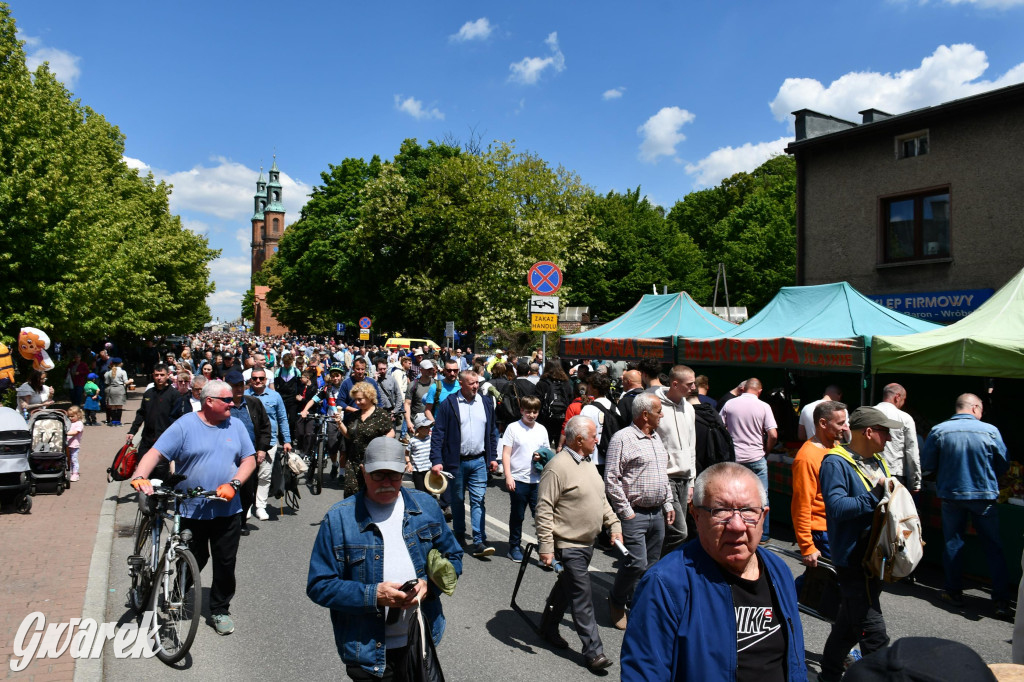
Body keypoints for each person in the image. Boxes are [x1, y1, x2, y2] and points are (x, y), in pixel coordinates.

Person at [620, 462, 807, 682]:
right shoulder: (665, 585)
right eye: (721, 511)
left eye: (748, 510)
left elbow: (794, 661)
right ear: (696, 516)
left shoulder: (779, 570)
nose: (737, 525)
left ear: (763, 516)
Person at [307, 437, 463, 680]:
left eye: (395, 475)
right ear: (363, 471)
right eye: (379, 475)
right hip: (367, 653)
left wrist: (429, 586)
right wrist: (374, 595)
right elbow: (319, 585)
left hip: (420, 641)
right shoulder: (339, 519)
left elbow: (453, 556)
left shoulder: (425, 506)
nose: (387, 483)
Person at [129, 379, 257, 635]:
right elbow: (155, 452)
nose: (232, 404)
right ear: (209, 401)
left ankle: (220, 609)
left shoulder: (237, 425)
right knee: (194, 558)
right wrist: (140, 476)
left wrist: (234, 483)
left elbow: (249, 460)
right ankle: (177, 592)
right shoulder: (185, 425)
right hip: (191, 508)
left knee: (225, 562)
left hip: (227, 509)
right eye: (227, 400)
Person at [818, 406, 901, 682]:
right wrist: (875, 494)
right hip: (853, 560)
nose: (889, 438)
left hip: (874, 557)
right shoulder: (835, 462)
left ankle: (828, 675)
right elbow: (837, 508)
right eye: (884, 432)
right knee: (874, 634)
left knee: (848, 627)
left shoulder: (878, 460)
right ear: (868, 432)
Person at [536, 416, 622, 672]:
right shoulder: (557, 467)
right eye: (594, 436)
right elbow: (544, 509)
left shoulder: (587, 463)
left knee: (568, 587)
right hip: (568, 544)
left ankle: (547, 627)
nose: (598, 440)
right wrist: (546, 546)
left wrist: (614, 525)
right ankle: (594, 652)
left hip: (588, 543)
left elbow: (600, 499)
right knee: (582, 596)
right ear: (580, 440)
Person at [921, 393, 1010, 614]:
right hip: (983, 495)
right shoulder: (990, 431)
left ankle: (953, 592)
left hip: (952, 495)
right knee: (993, 547)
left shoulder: (939, 430)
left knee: (953, 544)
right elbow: (1003, 463)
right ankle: (1001, 601)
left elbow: (928, 465)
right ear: (975, 408)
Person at [604, 392, 674, 630]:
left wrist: (668, 503)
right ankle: (616, 600)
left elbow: (662, 475)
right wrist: (625, 511)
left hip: (657, 513)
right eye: (658, 411)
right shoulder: (622, 439)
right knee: (635, 563)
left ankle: (640, 605)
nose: (661, 415)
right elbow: (611, 478)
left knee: (651, 566)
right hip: (635, 513)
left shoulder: (656, 438)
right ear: (645, 415)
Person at [429, 370, 499, 558]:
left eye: (477, 383)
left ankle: (479, 540)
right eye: (471, 383)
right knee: (457, 500)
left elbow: (492, 432)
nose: (476, 386)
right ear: (461, 384)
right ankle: (459, 534)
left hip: (479, 461)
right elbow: (438, 433)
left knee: (478, 500)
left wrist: (493, 457)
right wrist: (436, 460)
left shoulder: (485, 402)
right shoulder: (449, 404)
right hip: (456, 462)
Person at [719, 378, 778, 541]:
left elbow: (720, 428)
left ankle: (733, 527)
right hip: (756, 457)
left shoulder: (730, 404)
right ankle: (763, 534)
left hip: (735, 458)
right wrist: (766, 450)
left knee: (733, 495)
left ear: (743, 388)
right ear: (759, 391)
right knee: (762, 496)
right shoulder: (764, 406)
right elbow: (773, 434)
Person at [791, 400, 847, 568]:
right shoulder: (806, 458)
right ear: (823, 423)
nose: (845, 427)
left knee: (823, 579)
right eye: (840, 423)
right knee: (832, 578)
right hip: (822, 532)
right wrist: (807, 546)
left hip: (836, 528)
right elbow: (801, 505)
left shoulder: (836, 446)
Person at [653, 365, 697, 555]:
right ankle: (658, 564)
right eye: (690, 384)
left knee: (672, 530)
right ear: (675, 384)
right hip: (666, 477)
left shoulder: (689, 408)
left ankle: (664, 564)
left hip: (685, 478)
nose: (694, 387)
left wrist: (692, 480)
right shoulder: (656, 406)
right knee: (680, 531)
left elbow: (691, 445)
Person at [500, 395, 549, 562]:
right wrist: (508, 476)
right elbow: (506, 454)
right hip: (518, 479)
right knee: (518, 515)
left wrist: (541, 456)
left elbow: (547, 453)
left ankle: (545, 550)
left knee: (541, 517)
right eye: (528, 411)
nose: (532, 415)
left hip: (537, 481)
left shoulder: (541, 429)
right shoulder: (513, 428)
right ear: (521, 410)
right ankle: (514, 546)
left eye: (535, 412)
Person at [245, 367, 292, 520]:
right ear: (250, 380)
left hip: (270, 442)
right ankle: (247, 505)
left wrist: (286, 440)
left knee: (265, 475)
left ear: (266, 380)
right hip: (249, 442)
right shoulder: (244, 396)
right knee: (247, 476)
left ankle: (261, 506)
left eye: (261, 378)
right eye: (255, 378)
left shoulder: (275, 396)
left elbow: (282, 418)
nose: (258, 381)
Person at [338, 381, 396, 497]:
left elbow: (391, 432)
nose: (357, 403)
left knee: (371, 495)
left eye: (360, 399)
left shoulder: (381, 414)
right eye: (355, 400)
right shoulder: (355, 415)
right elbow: (349, 435)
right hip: (354, 462)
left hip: (374, 462)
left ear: (370, 397)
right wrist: (339, 423)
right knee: (351, 494)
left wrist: (380, 442)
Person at [126, 363, 183, 481]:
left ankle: (158, 490)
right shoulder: (148, 393)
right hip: (147, 438)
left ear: (168, 375)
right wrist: (132, 431)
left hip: (164, 438)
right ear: (153, 375)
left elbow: (178, 418)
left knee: (159, 472)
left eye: (162, 375)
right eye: (157, 375)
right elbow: (141, 413)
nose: (159, 377)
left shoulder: (174, 394)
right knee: (142, 468)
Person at [299, 363, 346, 480]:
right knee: (331, 446)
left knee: (344, 448)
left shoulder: (347, 387)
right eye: (333, 376)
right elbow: (313, 399)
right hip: (331, 420)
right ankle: (334, 464)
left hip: (345, 421)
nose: (335, 378)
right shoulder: (326, 388)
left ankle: (342, 473)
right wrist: (305, 410)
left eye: (337, 375)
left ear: (342, 376)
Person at [874, 383, 921, 492]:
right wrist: (915, 482)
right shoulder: (905, 418)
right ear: (897, 397)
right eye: (904, 400)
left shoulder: (867, 414)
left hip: (869, 472)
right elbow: (912, 452)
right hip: (894, 474)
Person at [408, 414, 434, 493]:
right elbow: (406, 453)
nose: (429, 429)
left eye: (429, 427)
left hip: (429, 470)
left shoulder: (430, 438)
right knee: (420, 492)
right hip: (417, 471)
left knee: (429, 491)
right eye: (426, 427)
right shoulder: (413, 441)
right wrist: (409, 463)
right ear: (419, 429)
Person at [66, 405, 84, 481]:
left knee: (74, 459)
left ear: (78, 415)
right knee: (67, 460)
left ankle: (75, 473)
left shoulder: (79, 423)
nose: (70, 418)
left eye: (72, 416)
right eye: (69, 416)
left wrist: (65, 433)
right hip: (67, 444)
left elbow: (76, 432)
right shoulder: (68, 423)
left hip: (74, 445)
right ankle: (69, 472)